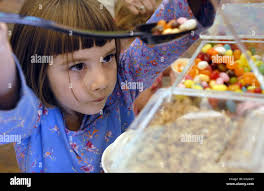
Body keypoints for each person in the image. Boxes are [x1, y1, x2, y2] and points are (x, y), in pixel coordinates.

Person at [0, 0, 216, 172]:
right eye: (77, 66)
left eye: (108, 58)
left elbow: (157, 46)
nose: (101, 81)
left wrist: (195, 4)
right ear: (35, 69)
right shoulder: (31, 115)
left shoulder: (121, 86)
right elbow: (9, 106)